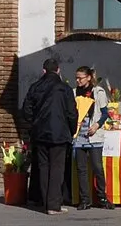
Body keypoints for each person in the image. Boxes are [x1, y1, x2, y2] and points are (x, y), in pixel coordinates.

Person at [20, 57, 78, 213]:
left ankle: (46, 203)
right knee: (57, 168)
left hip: (40, 134)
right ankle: (53, 205)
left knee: (43, 167)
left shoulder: (35, 87)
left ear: (43, 71)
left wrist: (34, 124)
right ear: (58, 70)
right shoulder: (64, 88)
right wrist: (72, 130)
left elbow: (26, 110)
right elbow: (72, 113)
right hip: (60, 133)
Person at [72, 66, 112, 210]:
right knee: (81, 168)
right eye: (76, 78)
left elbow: (105, 113)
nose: (78, 80)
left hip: (94, 132)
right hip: (79, 133)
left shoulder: (98, 92)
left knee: (97, 167)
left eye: (80, 78)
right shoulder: (74, 92)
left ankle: (102, 197)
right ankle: (85, 199)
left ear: (88, 77)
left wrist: (96, 125)